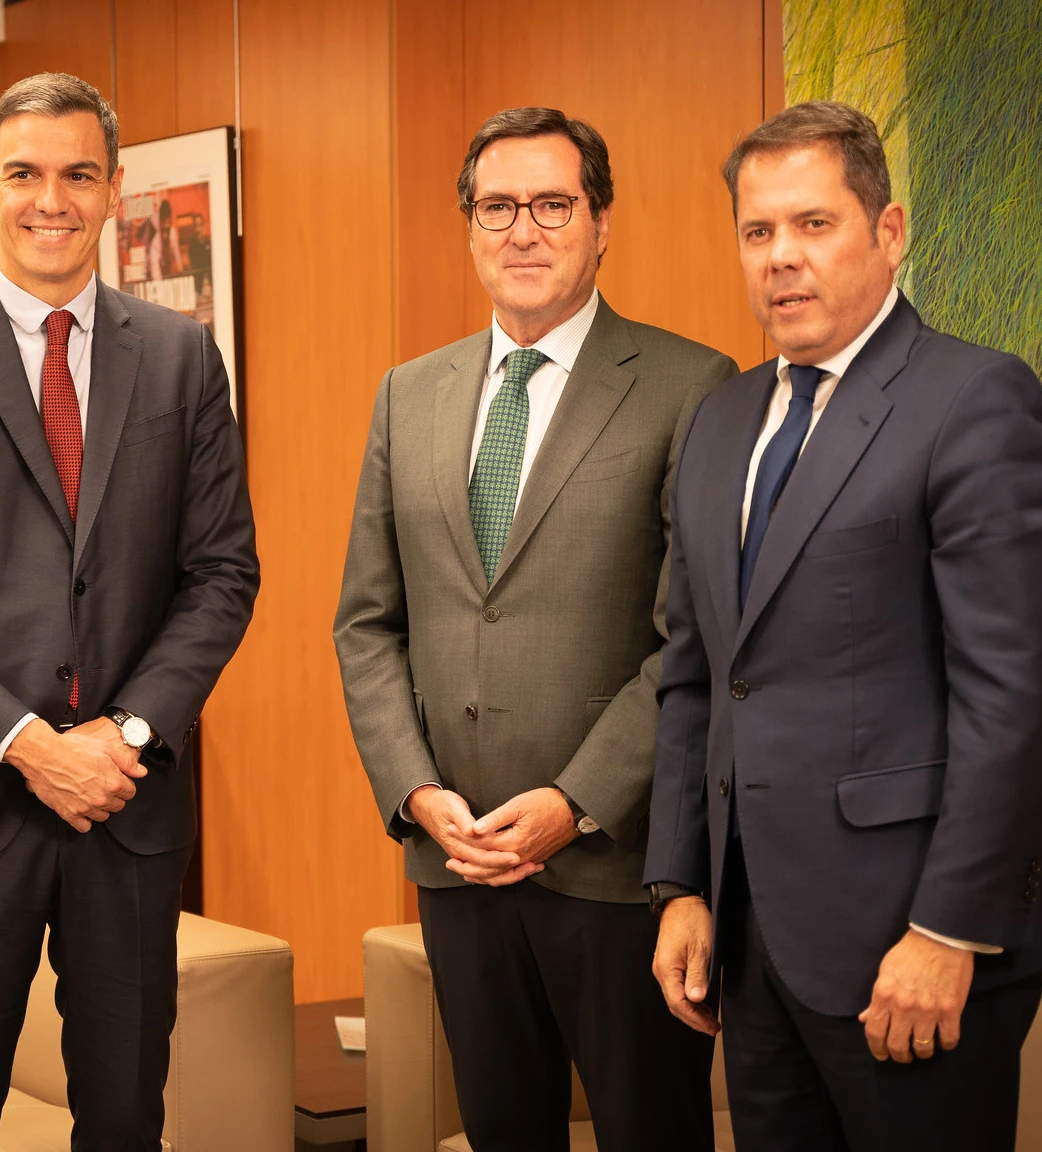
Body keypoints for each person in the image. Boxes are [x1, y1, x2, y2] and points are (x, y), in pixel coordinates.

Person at [0, 72, 258, 1149]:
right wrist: (29, 746)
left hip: (126, 803)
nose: (49, 199)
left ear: (113, 191)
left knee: (124, 1114)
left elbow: (221, 573)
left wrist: (122, 735)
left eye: (77, 174)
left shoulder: (178, 357)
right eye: (23, 172)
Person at [644, 101, 1042, 1151]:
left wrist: (948, 930)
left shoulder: (972, 398)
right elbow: (694, 673)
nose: (780, 259)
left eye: (813, 224)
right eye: (758, 232)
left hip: (910, 952)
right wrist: (680, 886)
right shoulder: (719, 421)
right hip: (750, 949)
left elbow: (1011, 698)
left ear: (887, 234)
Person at [334, 107, 735, 1151]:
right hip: (455, 866)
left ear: (600, 222)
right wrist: (417, 794)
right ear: (467, 227)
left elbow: (691, 640)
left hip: (616, 871)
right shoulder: (405, 396)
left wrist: (573, 801)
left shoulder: (689, 386)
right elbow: (366, 624)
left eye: (551, 204)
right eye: (496, 207)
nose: (523, 231)